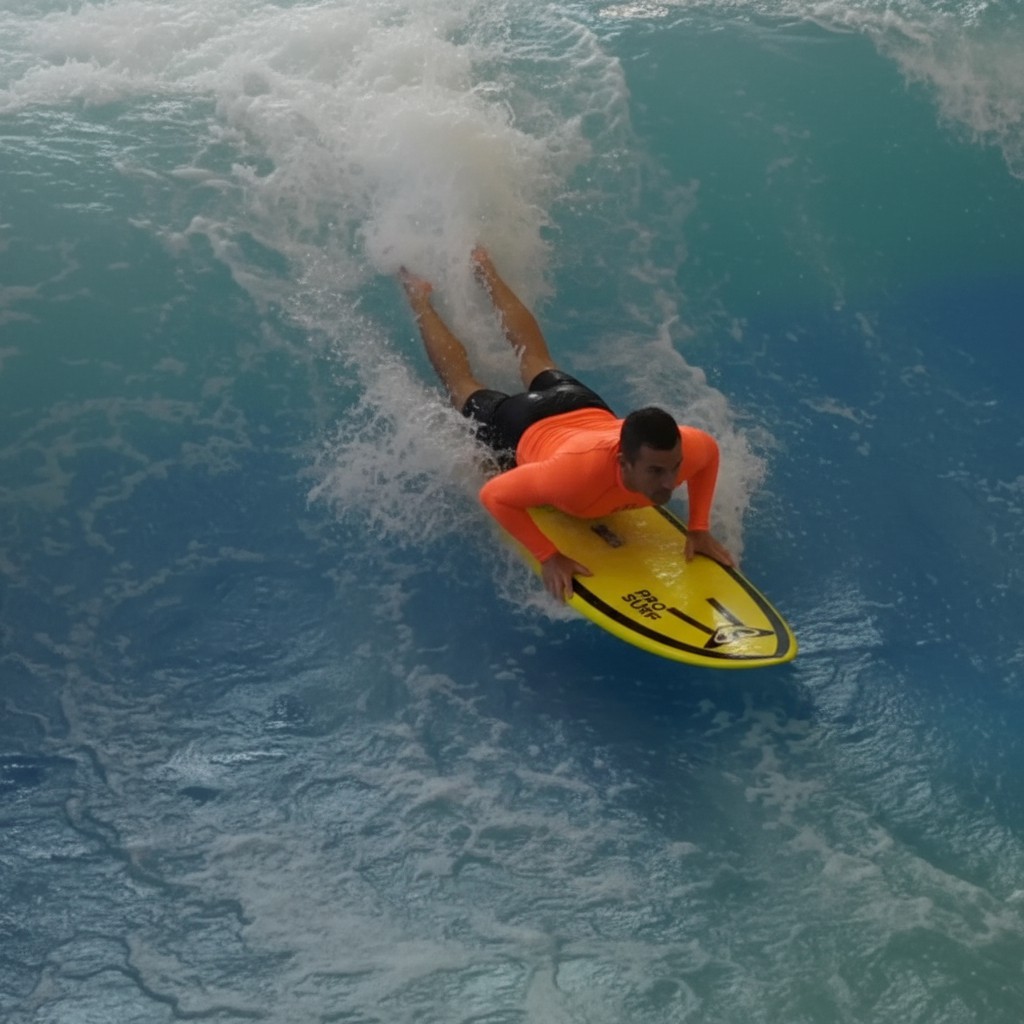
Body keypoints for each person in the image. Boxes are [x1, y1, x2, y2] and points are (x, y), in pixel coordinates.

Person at [400, 246, 735, 602]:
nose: (670, 482)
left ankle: (485, 268)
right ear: (623, 462)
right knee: (461, 386)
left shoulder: (686, 447)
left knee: (535, 357)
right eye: (655, 472)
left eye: (673, 468)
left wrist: (699, 528)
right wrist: (549, 556)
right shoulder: (572, 476)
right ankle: (419, 297)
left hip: (581, 406)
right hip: (524, 423)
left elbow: (709, 454)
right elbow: (495, 496)